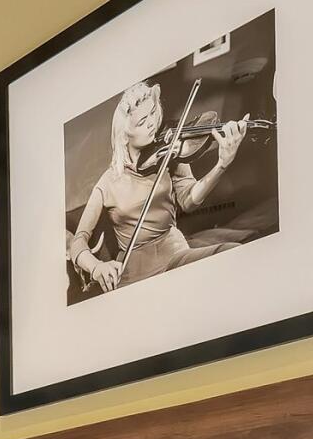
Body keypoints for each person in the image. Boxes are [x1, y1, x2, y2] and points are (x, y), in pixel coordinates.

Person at [68, 78, 252, 296]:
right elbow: (78, 242)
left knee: (236, 254)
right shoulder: (108, 183)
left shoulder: (170, 153)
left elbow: (189, 200)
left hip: (175, 254)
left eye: (153, 112)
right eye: (142, 121)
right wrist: (97, 267)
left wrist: (222, 164)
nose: (152, 123)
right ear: (124, 136)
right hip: (132, 274)